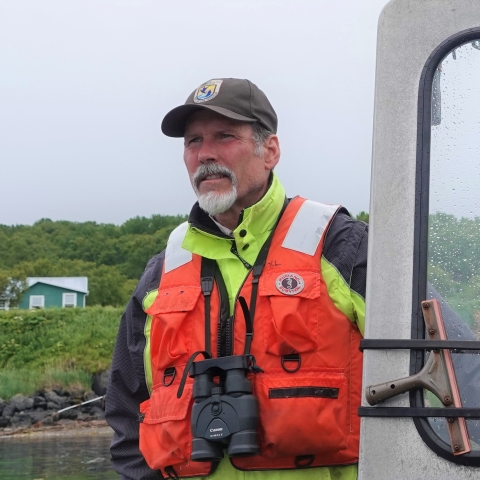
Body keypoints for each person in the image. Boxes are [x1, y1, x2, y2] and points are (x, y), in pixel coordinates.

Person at [106, 78, 368, 480]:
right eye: (193, 141)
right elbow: (127, 410)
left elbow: (435, 367)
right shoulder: (162, 271)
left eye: (225, 136)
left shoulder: (340, 243)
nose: (205, 153)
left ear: (271, 151)